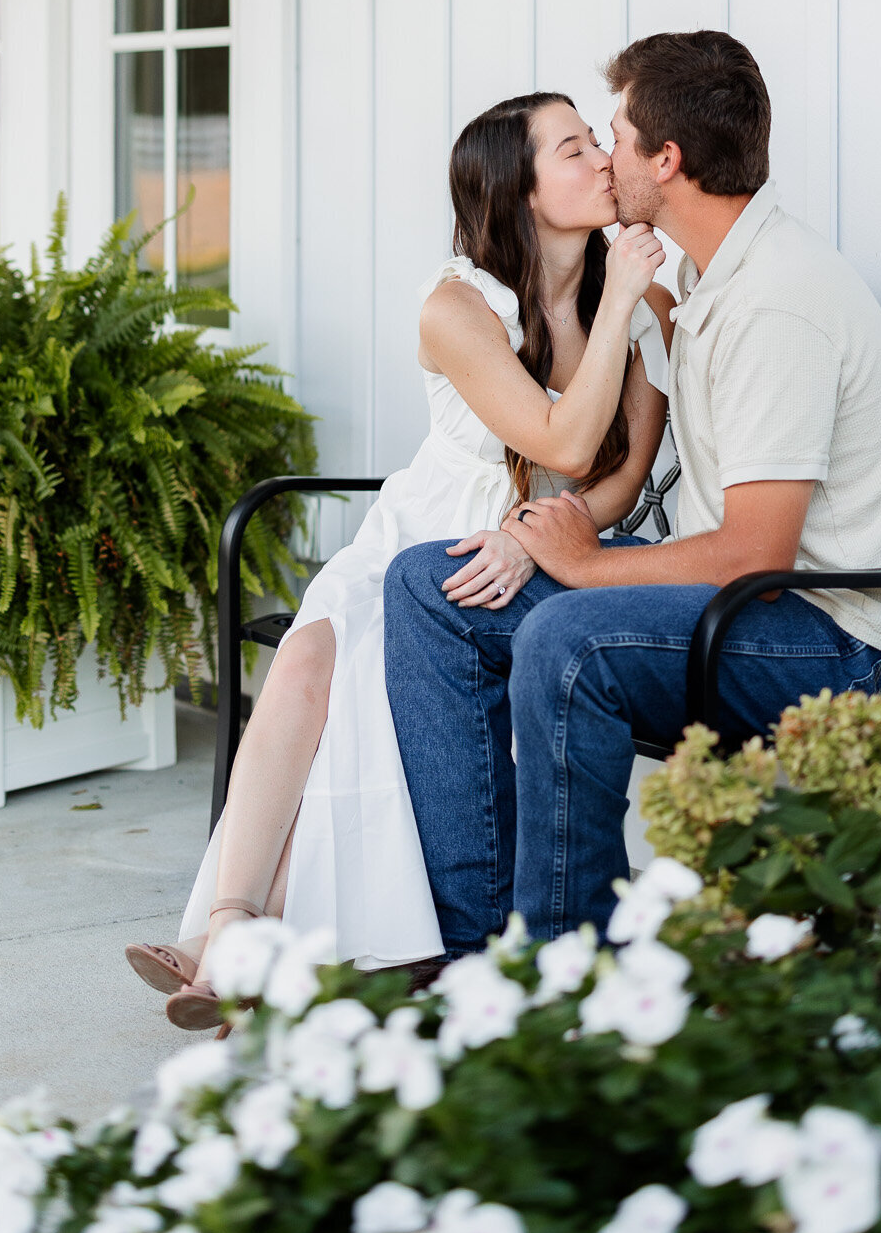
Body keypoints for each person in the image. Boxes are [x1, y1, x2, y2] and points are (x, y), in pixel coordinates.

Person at [384, 30, 881, 956]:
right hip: (739, 603)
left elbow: (753, 553)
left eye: (615, 135)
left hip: (831, 639)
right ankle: (479, 951)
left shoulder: (777, 302)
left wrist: (585, 561)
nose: (605, 155)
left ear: (666, 160)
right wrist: (540, 537)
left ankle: (569, 967)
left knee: (566, 639)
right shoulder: (704, 275)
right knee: (427, 591)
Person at [126, 91, 673, 1026]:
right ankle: (228, 926)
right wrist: (617, 300)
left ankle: (243, 953)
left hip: (533, 555)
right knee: (309, 664)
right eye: (573, 149)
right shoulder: (457, 306)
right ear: (519, 190)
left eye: (595, 143)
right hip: (421, 530)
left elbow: (613, 470)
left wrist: (542, 530)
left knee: (365, 690)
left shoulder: (635, 295)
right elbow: (559, 437)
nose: (599, 163)